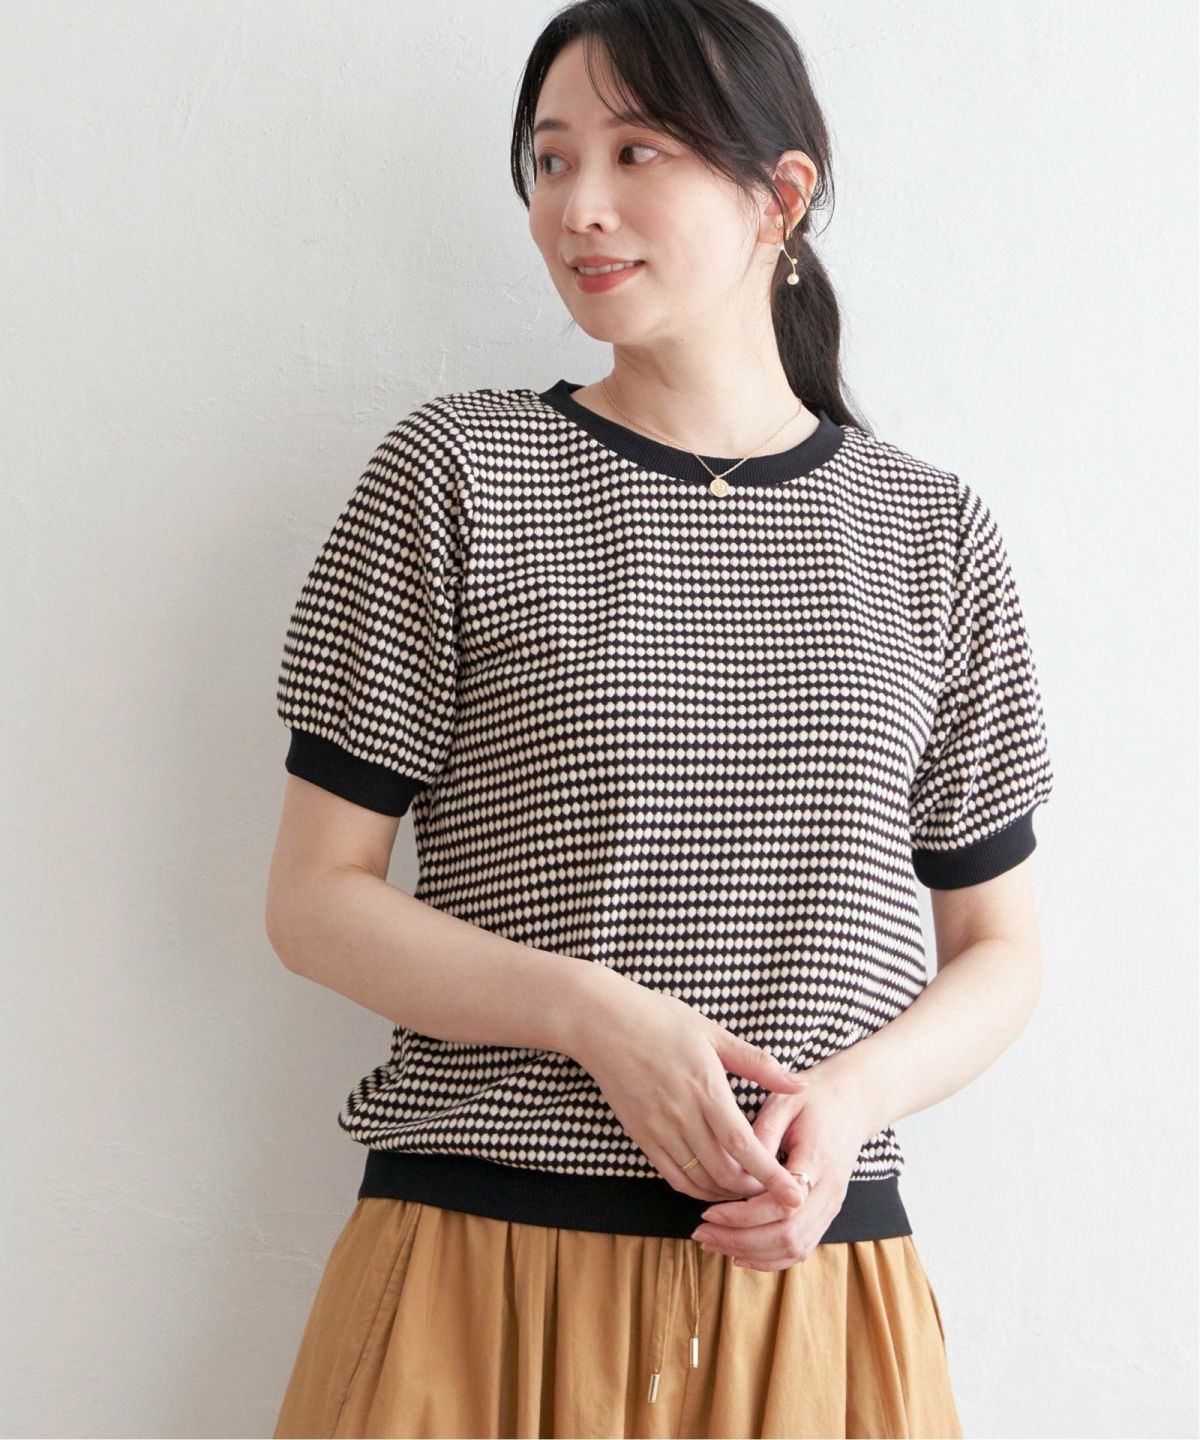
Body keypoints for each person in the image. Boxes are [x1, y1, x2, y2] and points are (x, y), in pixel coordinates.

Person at [267, 2, 1054, 1435]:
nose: (579, 205)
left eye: (637, 152)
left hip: (807, 1286)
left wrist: (852, 1102)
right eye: (550, 159)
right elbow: (314, 901)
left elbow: (999, 947)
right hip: (482, 1268)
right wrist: (596, 1020)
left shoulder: (928, 531)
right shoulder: (456, 474)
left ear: (782, 194)